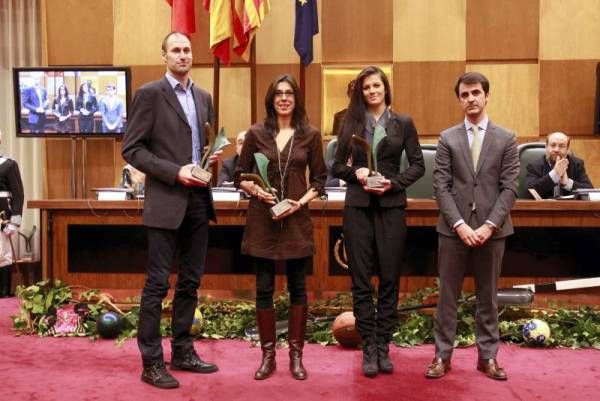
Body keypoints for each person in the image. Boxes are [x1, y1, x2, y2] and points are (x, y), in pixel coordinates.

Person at [121, 31, 221, 389]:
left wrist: (214, 160)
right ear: (163, 56)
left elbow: (206, 148)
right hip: (165, 200)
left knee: (191, 282)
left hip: (199, 200)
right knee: (157, 284)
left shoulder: (204, 97)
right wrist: (174, 171)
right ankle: (151, 362)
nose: (183, 55)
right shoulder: (149, 95)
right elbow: (132, 149)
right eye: (175, 50)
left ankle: (182, 350)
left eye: (187, 50)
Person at [331, 65, 425, 377]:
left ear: (385, 88)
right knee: (360, 280)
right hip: (358, 206)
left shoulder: (403, 123)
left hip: (391, 206)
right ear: (361, 91)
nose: (372, 91)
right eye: (366, 87)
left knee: (388, 277)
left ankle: (384, 342)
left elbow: (418, 165)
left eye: (376, 86)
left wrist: (394, 183)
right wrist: (354, 173)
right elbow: (334, 166)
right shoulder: (350, 122)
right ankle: (367, 343)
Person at [426, 72, 519, 381]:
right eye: (464, 95)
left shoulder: (506, 138)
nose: (471, 99)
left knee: (488, 297)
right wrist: (460, 225)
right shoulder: (447, 138)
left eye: (476, 93)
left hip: (493, 232)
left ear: (486, 95)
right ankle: (442, 356)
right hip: (453, 232)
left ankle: (488, 358)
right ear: (460, 100)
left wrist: (490, 225)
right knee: (447, 297)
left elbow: (509, 188)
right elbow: (441, 187)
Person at [234, 74, 327, 381]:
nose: (284, 98)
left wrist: (299, 203)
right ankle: (268, 355)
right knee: (264, 288)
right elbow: (239, 175)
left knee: (298, 288)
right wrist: (255, 190)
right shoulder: (256, 133)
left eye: (289, 93)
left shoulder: (311, 135)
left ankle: (296, 356)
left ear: (296, 98)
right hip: (263, 219)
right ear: (271, 99)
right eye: (279, 94)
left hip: (297, 220)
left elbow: (320, 180)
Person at [526, 131, 593, 199]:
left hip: (570, 208)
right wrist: (554, 175)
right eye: (553, 145)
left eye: (561, 146)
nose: (556, 150)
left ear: (567, 149)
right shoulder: (534, 166)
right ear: (546, 147)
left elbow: (589, 191)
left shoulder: (577, 164)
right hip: (544, 208)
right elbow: (529, 192)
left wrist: (567, 183)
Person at [0, 134, 25, 298]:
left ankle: (3, 292)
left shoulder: (9, 165)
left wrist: (14, 223)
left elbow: (18, 194)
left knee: (2, 254)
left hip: (2, 215)